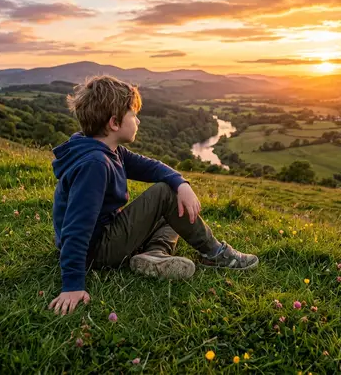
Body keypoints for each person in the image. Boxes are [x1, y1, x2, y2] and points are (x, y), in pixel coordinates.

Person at [48, 75, 258, 315]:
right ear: (115, 123)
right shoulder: (95, 164)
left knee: (173, 203)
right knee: (165, 193)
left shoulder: (105, 149)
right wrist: (72, 285)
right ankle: (216, 254)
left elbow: (151, 166)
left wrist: (181, 183)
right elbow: (77, 226)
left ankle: (154, 254)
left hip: (102, 236)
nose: (138, 120)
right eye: (133, 115)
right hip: (95, 251)